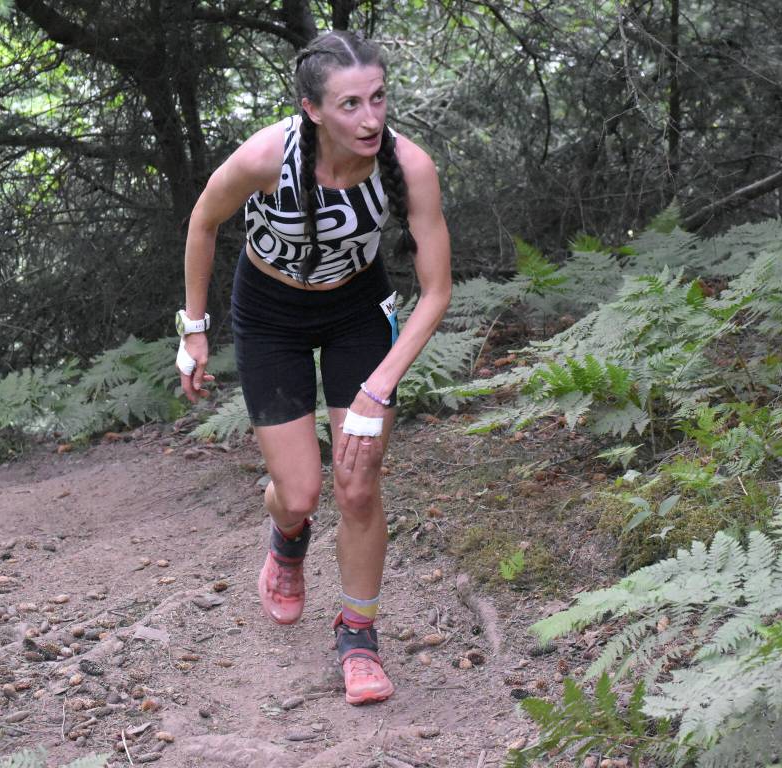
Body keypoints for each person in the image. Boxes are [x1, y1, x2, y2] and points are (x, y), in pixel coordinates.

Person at [176, 30, 451, 705]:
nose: (370, 119)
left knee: (357, 481)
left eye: (379, 99)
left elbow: (438, 291)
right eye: (350, 105)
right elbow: (204, 223)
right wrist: (194, 327)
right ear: (312, 109)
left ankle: (358, 635)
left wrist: (378, 386)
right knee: (300, 492)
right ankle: (288, 537)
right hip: (269, 314)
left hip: (357, 312)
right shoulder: (267, 157)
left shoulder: (408, 166)